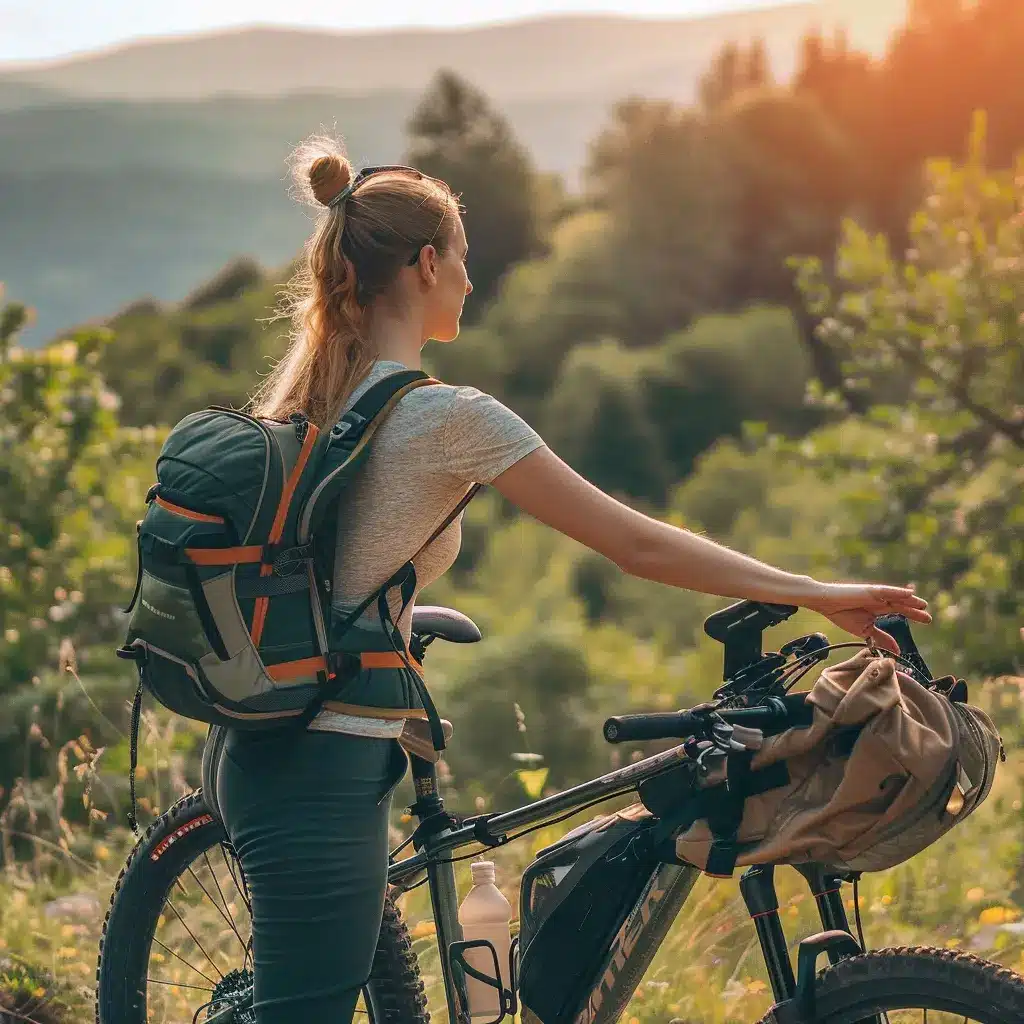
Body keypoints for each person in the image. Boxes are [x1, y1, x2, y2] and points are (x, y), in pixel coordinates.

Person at [214, 136, 931, 1024]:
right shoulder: (447, 419)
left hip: (273, 740)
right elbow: (640, 545)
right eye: (466, 262)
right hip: (317, 769)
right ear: (429, 263)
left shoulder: (310, 396)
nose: (472, 284)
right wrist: (816, 592)